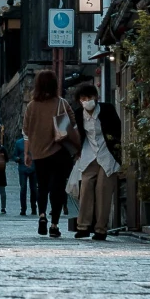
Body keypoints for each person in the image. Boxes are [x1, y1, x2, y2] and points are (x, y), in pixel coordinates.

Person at [22, 67, 79, 238]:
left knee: (42, 186)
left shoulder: (31, 106)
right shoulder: (62, 103)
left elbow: (26, 132)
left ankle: (41, 216)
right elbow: (73, 126)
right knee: (58, 187)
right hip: (59, 151)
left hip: (39, 153)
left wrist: (27, 153)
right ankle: (54, 223)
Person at [66, 79, 121, 241]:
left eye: (89, 98)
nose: (86, 102)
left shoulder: (107, 110)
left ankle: (101, 229)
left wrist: (119, 152)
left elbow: (117, 130)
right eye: (82, 99)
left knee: (103, 191)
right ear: (79, 101)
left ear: (96, 97)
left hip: (107, 154)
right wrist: (75, 152)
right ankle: (83, 226)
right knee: (86, 189)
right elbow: (70, 134)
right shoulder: (77, 114)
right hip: (88, 154)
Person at [12, 128, 35, 216]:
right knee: (23, 189)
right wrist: (17, 159)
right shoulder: (19, 143)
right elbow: (14, 155)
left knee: (34, 189)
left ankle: (34, 207)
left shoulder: (35, 142)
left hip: (33, 168)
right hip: (22, 168)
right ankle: (23, 208)